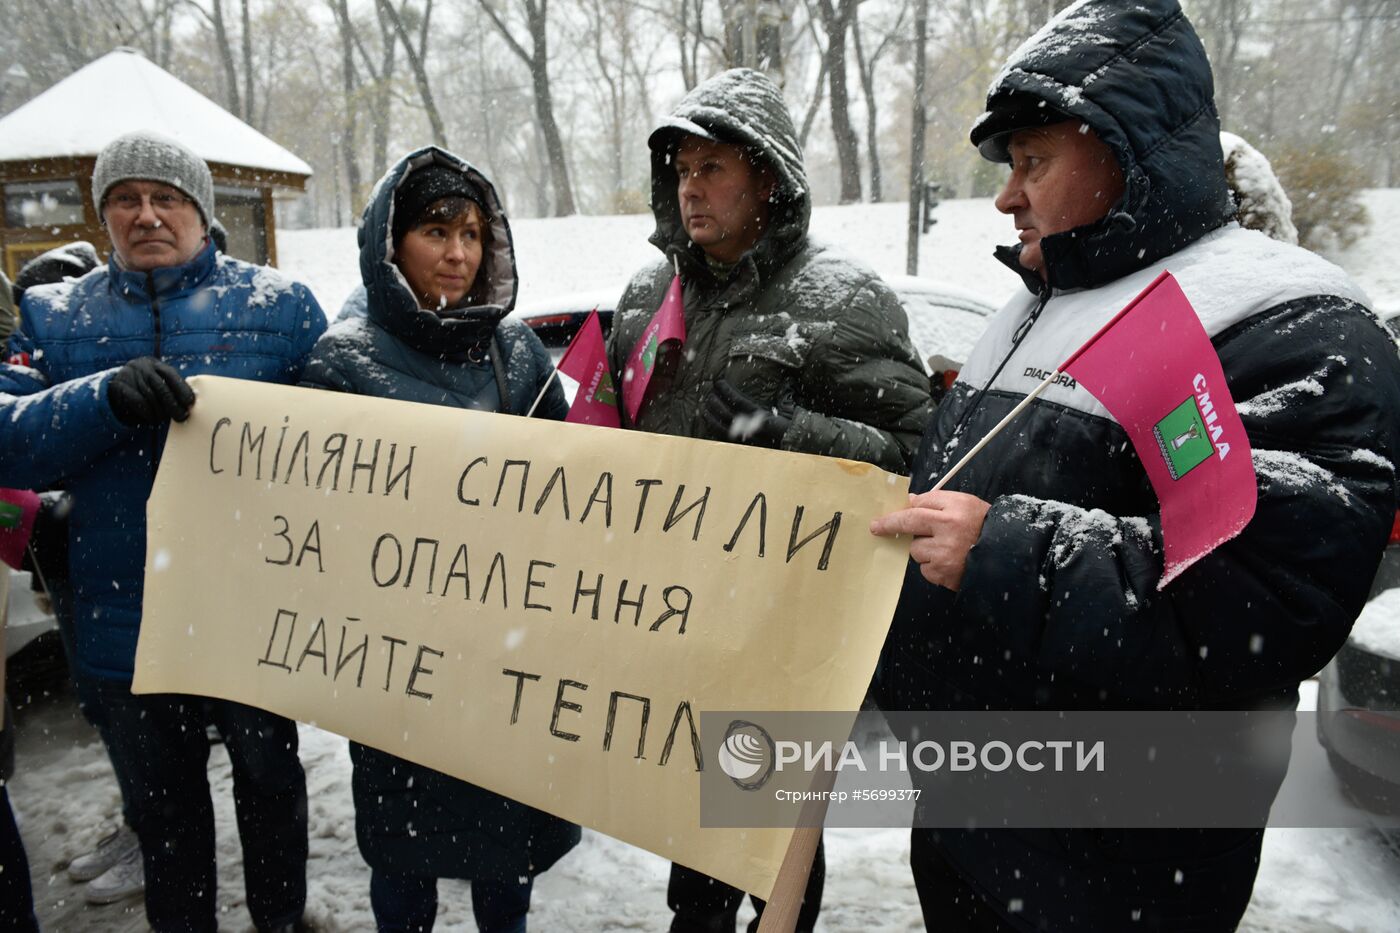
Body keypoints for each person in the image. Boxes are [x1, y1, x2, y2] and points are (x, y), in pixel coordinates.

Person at [870, 2, 1400, 931]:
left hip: (1120, 866)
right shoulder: (1032, 309)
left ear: (1128, 148)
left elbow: (1266, 594)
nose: (1005, 195)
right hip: (970, 821)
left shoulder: (1284, 321)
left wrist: (1007, 551)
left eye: (1033, 161)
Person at [606, 68, 934, 933]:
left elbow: (915, 458)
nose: (690, 186)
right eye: (681, 167)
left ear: (770, 178)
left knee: (775, 840)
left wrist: (788, 432)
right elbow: (605, 432)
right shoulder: (645, 297)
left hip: (783, 633)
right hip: (673, 613)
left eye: (714, 168)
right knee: (695, 827)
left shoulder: (844, 299)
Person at [0, 130, 326, 933]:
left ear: (201, 212)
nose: (147, 215)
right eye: (125, 200)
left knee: (271, 782)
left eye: (167, 198)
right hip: (124, 617)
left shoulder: (280, 309)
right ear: (103, 214)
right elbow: (8, 438)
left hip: (255, 609)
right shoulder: (51, 314)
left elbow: (341, 445)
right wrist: (101, 397)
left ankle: (280, 917)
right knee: (166, 809)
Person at [300, 146, 579, 933]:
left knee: (506, 853)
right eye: (435, 230)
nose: (458, 254)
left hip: (506, 649)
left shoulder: (516, 350)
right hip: (398, 662)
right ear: (391, 242)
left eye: (472, 234)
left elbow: (572, 487)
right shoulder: (339, 363)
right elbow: (320, 519)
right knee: (403, 853)